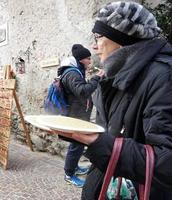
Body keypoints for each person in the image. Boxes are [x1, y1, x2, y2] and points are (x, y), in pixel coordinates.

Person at [54, 2, 172, 199]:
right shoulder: (117, 74)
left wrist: (100, 143)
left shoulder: (164, 77)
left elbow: (166, 161)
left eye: (98, 37)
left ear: (121, 38)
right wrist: (81, 133)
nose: (93, 46)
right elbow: (114, 130)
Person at [58, 46, 104, 188]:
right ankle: (69, 174)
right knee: (76, 145)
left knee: (77, 145)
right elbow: (82, 92)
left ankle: (74, 167)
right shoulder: (72, 74)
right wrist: (96, 78)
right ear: (80, 59)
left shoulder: (76, 71)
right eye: (88, 58)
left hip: (78, 113)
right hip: (75, 115)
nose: (90, 61)